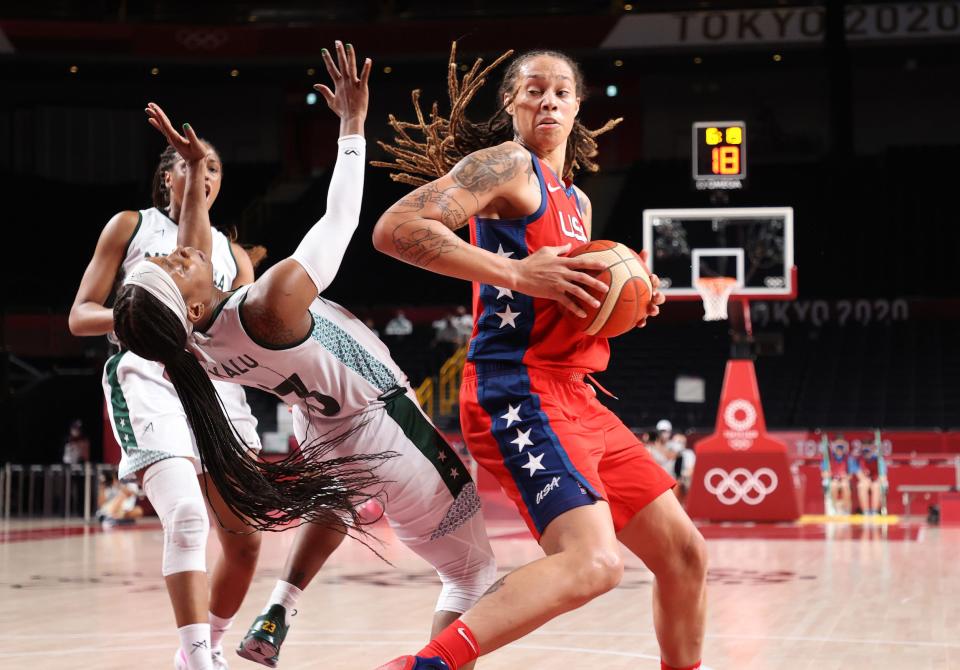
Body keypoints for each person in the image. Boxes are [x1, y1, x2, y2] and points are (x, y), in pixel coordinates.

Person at [117, 42, 495, 670]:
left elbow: (191, 265)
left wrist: (188, 178)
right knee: (471, 576)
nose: (177, 252)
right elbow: (342, 218)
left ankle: (279, 610)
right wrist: (352, 126)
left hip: (321, 428)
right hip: (383, 423)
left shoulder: (192, 344)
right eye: (170, 263)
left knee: (336, 502)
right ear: (184, 302)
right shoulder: (269, 304)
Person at [372, 44, 707, 670]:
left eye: (560, 91)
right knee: (595, 563)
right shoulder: (505, 166)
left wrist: (631, 299)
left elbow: (571, 298)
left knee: (684, 553)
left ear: (578, 107)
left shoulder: (577, 206)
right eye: (532, 89)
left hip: (578, 393)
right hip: (518, 389)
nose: (547, 99)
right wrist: (516, 273)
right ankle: (421, 667)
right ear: (511, 104)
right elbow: (394, 229)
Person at [69, 108, 266, 670]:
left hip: (218, 390)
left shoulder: (236, 258)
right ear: (166, 177)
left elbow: (239, 335)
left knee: (246, 540)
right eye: (188, 163)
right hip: (149, 376)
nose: (201, 174)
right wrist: (141, 315)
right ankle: (199, 659)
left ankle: (205, 647)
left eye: (212, 167)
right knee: (185, 515)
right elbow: (80, 316)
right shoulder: (130, 225)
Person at [855, 433, 888, 516]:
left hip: (876, 481)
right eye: (865, 445)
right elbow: (859, 475)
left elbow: (883, 476)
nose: (867, 447)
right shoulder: (857, 459)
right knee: (862, 485)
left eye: (869, 444)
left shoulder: (879, 459)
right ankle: (866, 512)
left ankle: (874, 512)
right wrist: (867, 480)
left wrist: (878, 481)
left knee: (876, 486)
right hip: (865, 481)